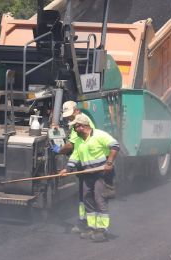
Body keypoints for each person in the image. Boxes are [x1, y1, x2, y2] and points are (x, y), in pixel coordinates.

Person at [59, 114, 120, 242]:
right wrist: (67, 169)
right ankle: (92, 227)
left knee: (99, 199)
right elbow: (75, 156)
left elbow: (115, 146)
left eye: (75, 127)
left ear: (82, 126)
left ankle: (102, 230)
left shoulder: (100, 135)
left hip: (101, 174)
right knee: (87, 199)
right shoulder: (80, 141)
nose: (74, 130)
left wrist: (109, 163)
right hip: (88, 174)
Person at [51, 101, 95, 233]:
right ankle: (83, 222)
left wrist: (59, 150)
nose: (69, 117)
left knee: (88, 195)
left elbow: (71, 146)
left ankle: (90, 226)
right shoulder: (77, 121)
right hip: (83, 163)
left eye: (70, 114)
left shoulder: (80, 123)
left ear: (76, 110)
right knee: (83, 194)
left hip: (88, 165)